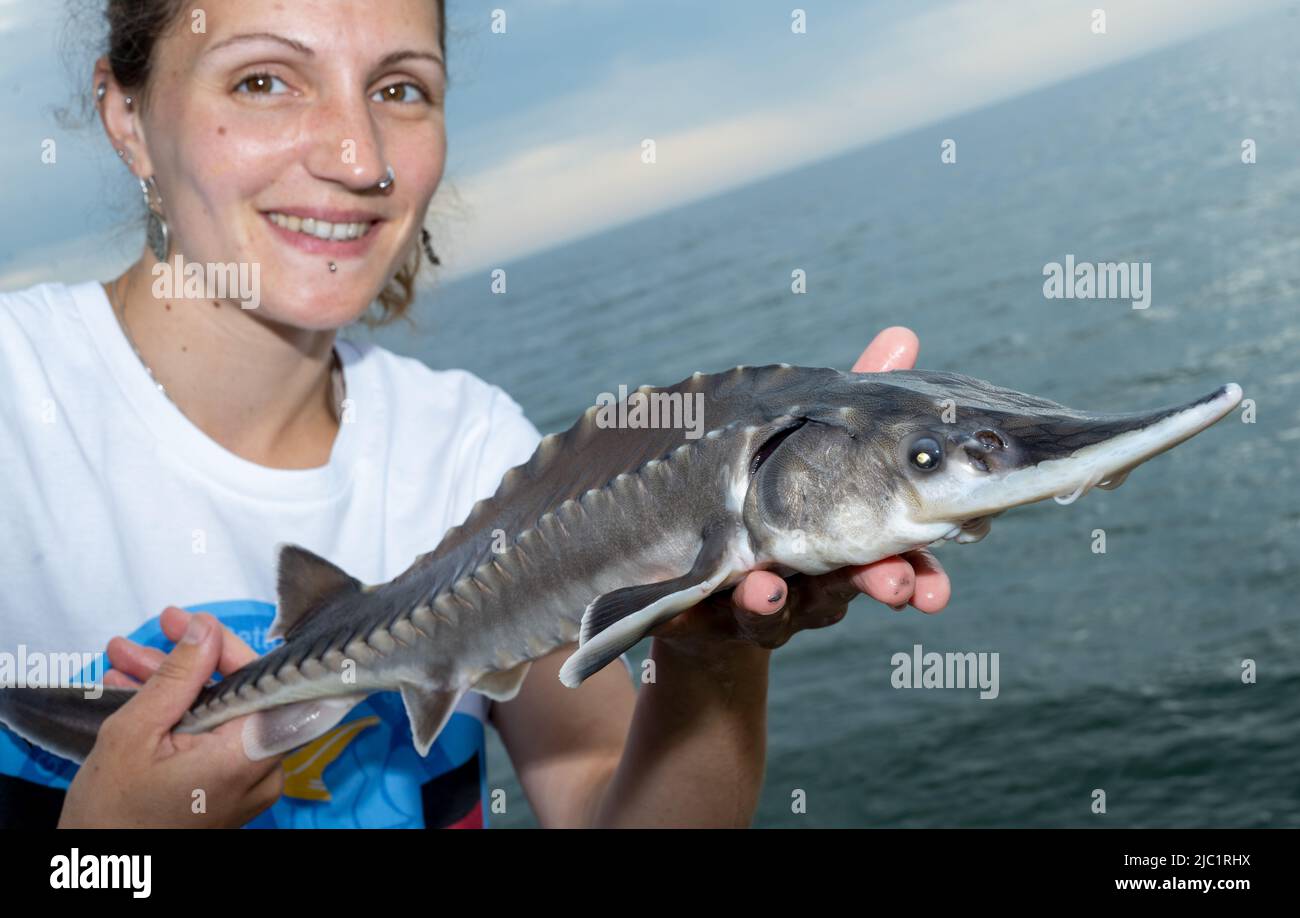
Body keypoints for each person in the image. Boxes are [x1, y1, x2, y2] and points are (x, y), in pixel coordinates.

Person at [0, 0, 950, 829]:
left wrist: (715, 648)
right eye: (263, 79)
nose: (357, 156)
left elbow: (601, 801)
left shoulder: (473, 450)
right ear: (126, 115)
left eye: (401, 89)